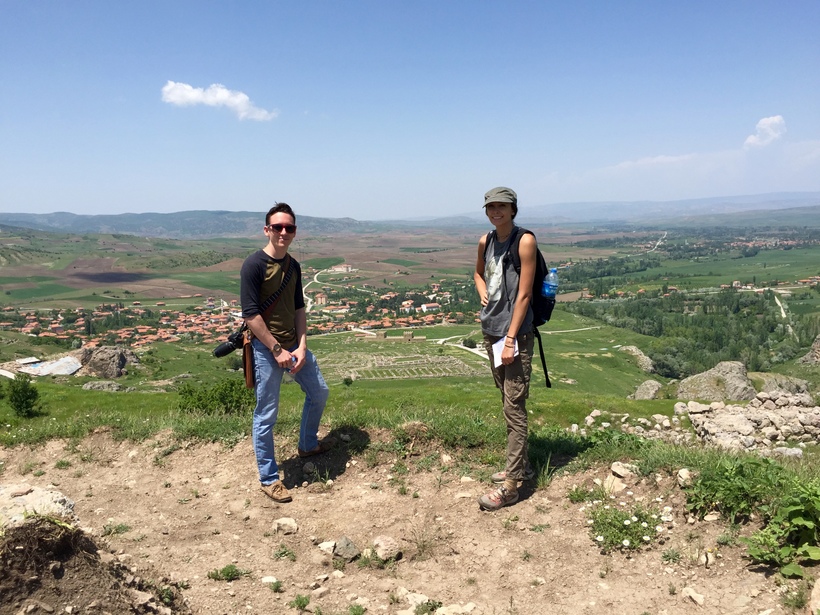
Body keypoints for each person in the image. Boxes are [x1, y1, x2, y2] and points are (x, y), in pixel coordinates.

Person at [240, 203, 332, 503]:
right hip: (268, 349)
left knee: (319, 392)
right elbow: (251, 315)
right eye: (277, 227)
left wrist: (302, 344)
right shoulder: (253, 265)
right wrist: (276, 349)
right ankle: (269, 478)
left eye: (288, 227)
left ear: (294, 231)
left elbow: (298, 307)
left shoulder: (293, 265)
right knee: (266, 414)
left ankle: (307, 444)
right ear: (266, 230)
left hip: (294, 346)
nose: (283, 232)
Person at [473, 187, 536, 511]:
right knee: (507, 400)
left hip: (515, 336)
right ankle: (521, 465)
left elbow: (524, 296)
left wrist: (510, 339)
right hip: (492, 331)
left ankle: (511, 486)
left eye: (502, 206)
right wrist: (483, 291)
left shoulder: (523, 240)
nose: (495, 211)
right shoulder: (486, 240)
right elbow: (477, 272)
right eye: (490, 206)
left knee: (514, 406)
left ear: (513, 209)